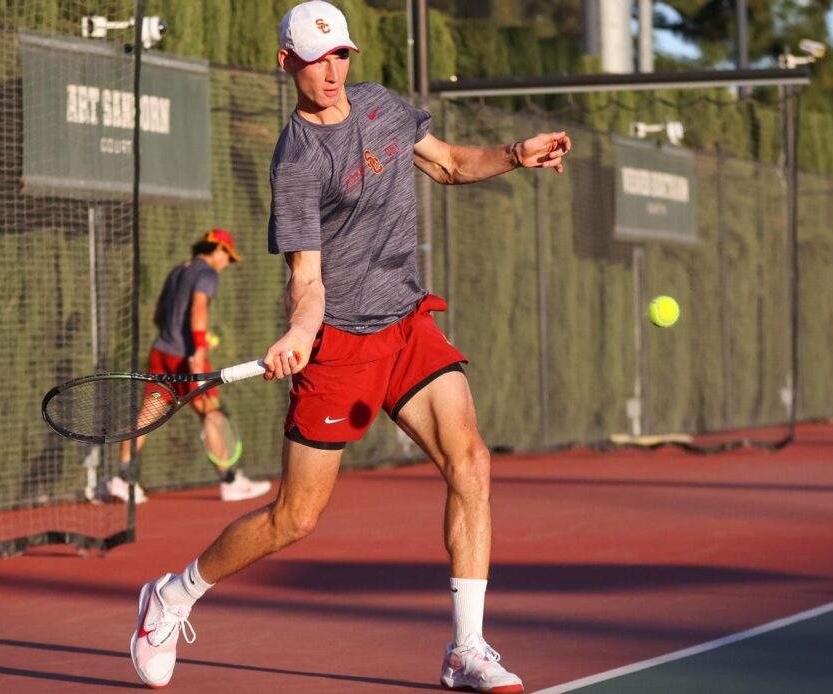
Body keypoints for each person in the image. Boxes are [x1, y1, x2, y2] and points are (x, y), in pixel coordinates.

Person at [128, 2, 570, 692]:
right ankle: (173, 595)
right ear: (287, 63)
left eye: (339, 55)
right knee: (293, 519)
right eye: (315, 58)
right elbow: (306, 276)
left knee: (471, 460)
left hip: (407, 322)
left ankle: (467, 648)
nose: (331, 70)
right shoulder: (297, 160)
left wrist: (516, 155)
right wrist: (303, 332)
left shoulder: (382, 106)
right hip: (340, 344)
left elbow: (449, 164)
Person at [109, 228, 273, 504]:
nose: (226, 264)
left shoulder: (177, 271)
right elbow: (198, 308)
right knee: (211, 415)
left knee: (146, 419)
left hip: (160, 353)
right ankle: (230, 481)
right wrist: (197, 347)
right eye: (227, 257)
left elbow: (158, 314)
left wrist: (176, 335)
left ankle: (122, 479)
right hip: (186, 359)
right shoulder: (207, 273)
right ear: (217, 249)